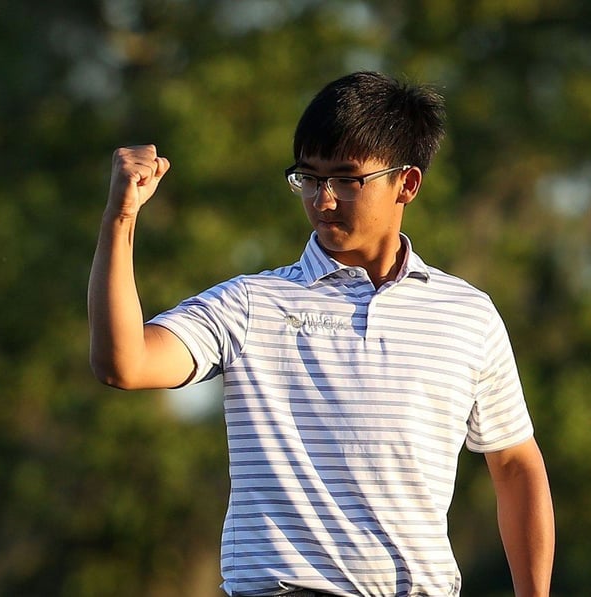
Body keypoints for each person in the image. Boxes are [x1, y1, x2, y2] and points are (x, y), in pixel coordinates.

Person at [88, 71, 554, 597]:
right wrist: (120, 218)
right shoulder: (251, 304)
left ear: (407, 183)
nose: (323, 200)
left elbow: (515, 464)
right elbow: (123, 363)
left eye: (346, 180)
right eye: (309, 178)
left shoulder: (467, 313)